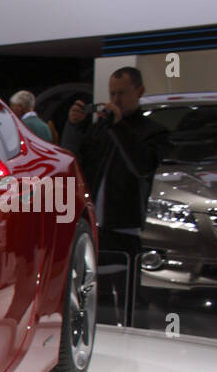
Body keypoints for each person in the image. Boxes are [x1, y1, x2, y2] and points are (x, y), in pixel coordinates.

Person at [62, 66, 166, 325]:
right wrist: (75, 126)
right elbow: (76, 161)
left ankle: (134, 344)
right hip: (97, 228)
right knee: (98, 297)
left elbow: (141, 166)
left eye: (122, 93)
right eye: (112, 93)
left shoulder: (153, 132)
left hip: (126, 230)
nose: (115, 99)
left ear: (139, 91)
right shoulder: (101, 129)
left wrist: (118, 127)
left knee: (131, 300)